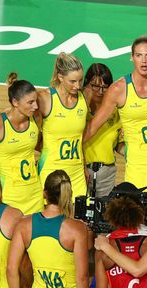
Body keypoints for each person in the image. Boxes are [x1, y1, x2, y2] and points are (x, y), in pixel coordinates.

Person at [83, 35, 147, 193]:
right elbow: (93, 126)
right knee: (138, 214)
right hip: (139, 164)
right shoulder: (118, 89)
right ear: (132, 58)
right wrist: (73, 148)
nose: (144, 61)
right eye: (139, 55)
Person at [0, 72, 44, 214]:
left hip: (35, 194)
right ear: (15, 102)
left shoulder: (35, 120)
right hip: (8, 197)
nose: (35, 106)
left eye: (36, 101)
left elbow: (41, 145)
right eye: (30, 102)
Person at [37, 53, 89, 200]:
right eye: (72, 81)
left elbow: (79, 138)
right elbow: (30, 133)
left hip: (77, 173)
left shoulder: (83, 97)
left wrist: (84, 165)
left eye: (80, 80)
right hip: (51, 172)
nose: (77, 86)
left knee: (77, 220)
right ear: (60, 77)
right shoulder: (45, 98)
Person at [83, 63, 123, 198]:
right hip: (80, 172)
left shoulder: (115, 112)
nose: (100, 91)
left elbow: (119, 145)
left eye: (105, 87)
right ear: (86, 84)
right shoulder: (76, 109)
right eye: (95, 86)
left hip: (107, 175)